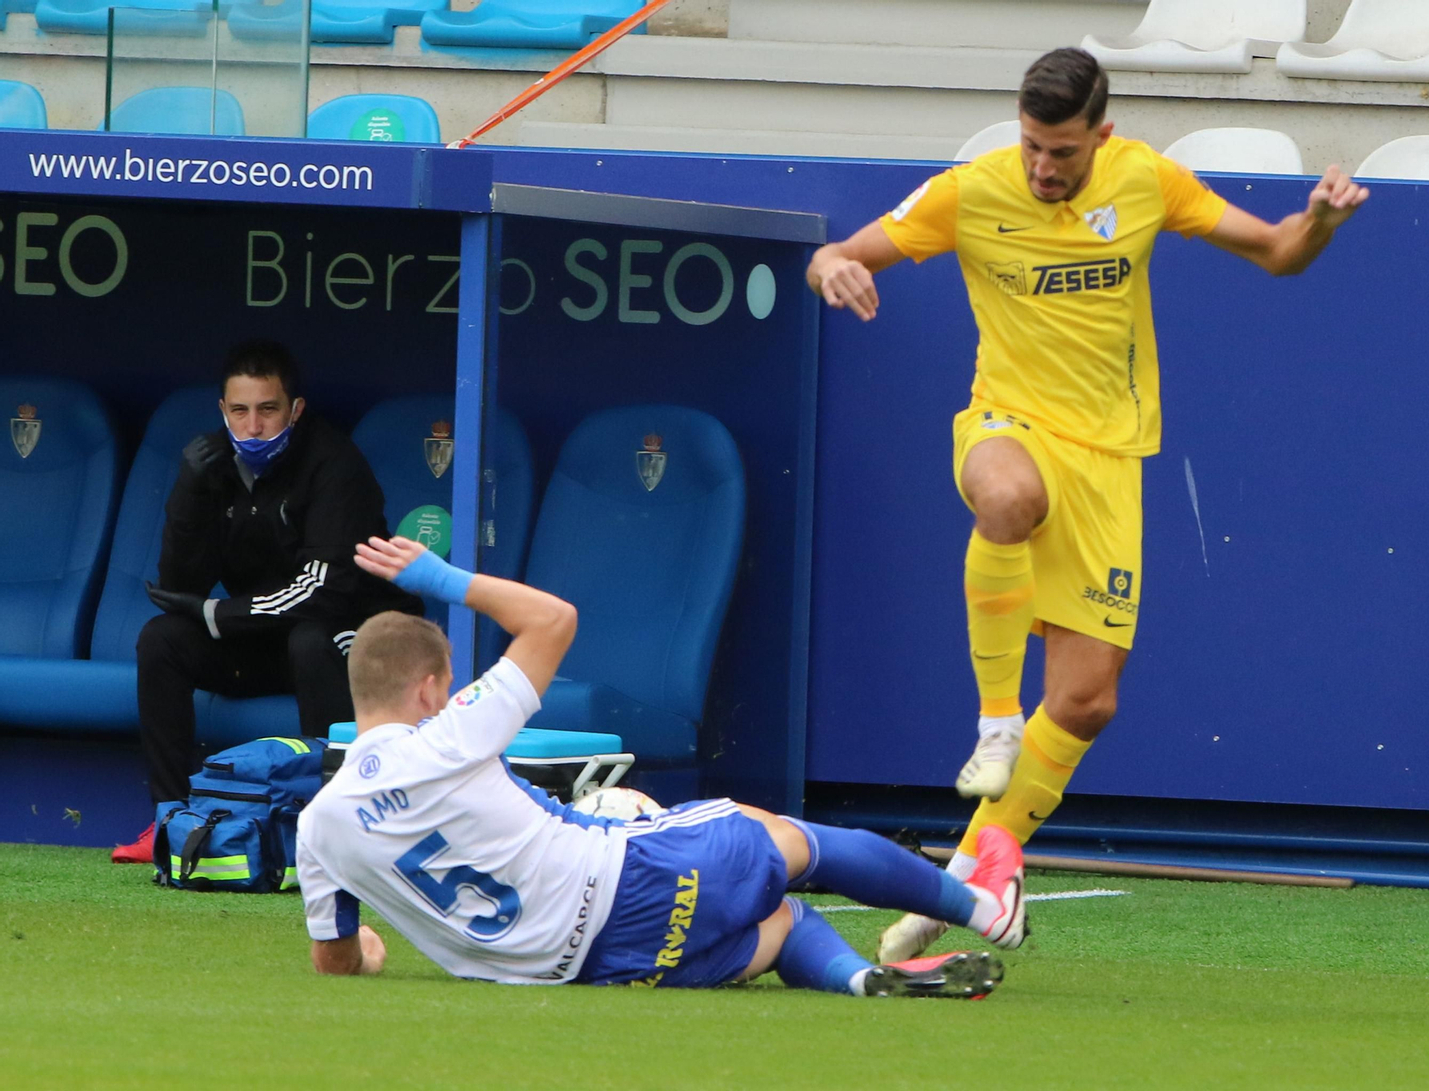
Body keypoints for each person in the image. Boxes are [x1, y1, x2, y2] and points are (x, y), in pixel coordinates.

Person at [805, 48, 1369, 961]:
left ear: (1100, 136)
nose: (1041, 167)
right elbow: (841, 250)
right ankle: (994, 721)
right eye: (1031, 145)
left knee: (1086, 699)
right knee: (1006, 496)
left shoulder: (1146, 180)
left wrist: (1320, 222)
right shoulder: (971, 191)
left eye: (1060, 151)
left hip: (1109, 458)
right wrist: (831, 267)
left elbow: (1277, 253)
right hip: (1006, 420)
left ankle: (967, 880)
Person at [295, 535, 1027, 998]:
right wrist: (445, 577)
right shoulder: (446, 736)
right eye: (447, 684)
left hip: (580, 967)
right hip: (619, 883)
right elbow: (552, 619)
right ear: (428, 688)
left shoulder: (317, 826)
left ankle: (859, 977)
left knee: (779, 922)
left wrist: (364, 951)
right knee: (785, 837)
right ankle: (983, 907)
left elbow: (334, 960)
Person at [112, 340, 421, 864]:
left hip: (346, 638)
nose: (253, 426)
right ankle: (172, 819)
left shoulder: (335, 463)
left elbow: (322, 588)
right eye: (240, 411)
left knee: (311, 641)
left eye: (268, 410)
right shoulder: (212, 466)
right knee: (161, 641)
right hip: (262, 642)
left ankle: (328, 827)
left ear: (295, 410)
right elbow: (180, 582)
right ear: (223, 412)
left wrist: (219, 615)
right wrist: (189, 492)